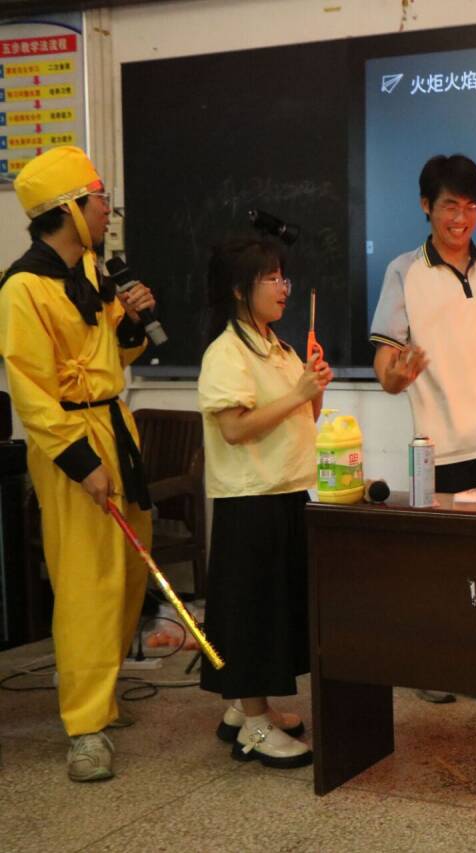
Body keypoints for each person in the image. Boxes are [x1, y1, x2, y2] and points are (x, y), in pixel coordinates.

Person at [0, 146, 157, 781]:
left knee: (130, 568)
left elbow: (116, 354)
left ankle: (104, 694)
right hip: (71, 440)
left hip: (115, 424)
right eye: (99, 201)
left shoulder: (91, 269)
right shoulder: (23, 288)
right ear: (68, 209)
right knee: (89, 581)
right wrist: (81, 460)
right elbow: (31, 392)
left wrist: (134, 322)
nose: (106, 212)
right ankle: (84, 728)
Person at [370, 153, 476, 711]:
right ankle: (440, 665)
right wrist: (398, 376)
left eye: (471, 206)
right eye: (449, 206)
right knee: (444, 564)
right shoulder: (404, 272)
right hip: (441, 448)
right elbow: (386, 368)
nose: (461, 218)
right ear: (426, 206)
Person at [197, 236, 332, 768]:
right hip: (249, 499)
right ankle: (253, 726)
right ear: (239, 289)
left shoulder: (279, 346)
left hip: (286, 489)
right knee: (250, 613)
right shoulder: (226, 352)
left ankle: (248, 708)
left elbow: (304, 417)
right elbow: (233, 429)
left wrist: (314, 386)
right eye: (271, 279)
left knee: (274, 610)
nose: (283, 288)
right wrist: (298, 392)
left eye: (283, 277)